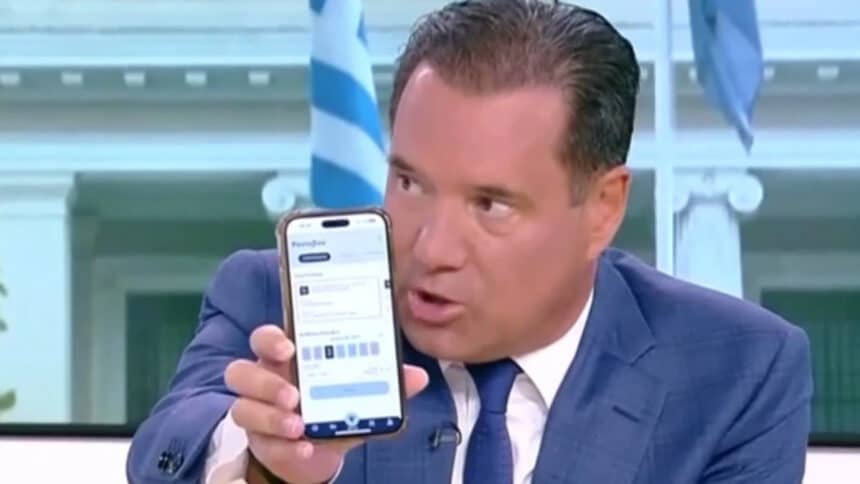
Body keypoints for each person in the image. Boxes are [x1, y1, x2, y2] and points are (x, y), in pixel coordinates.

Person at [126, 1, 814, 483]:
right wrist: (265, 462)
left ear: (602, 209)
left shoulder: (737, 370)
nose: (431, 250)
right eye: (409, 183)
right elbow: (166, 453)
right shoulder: (277, 303)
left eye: (490, 204)